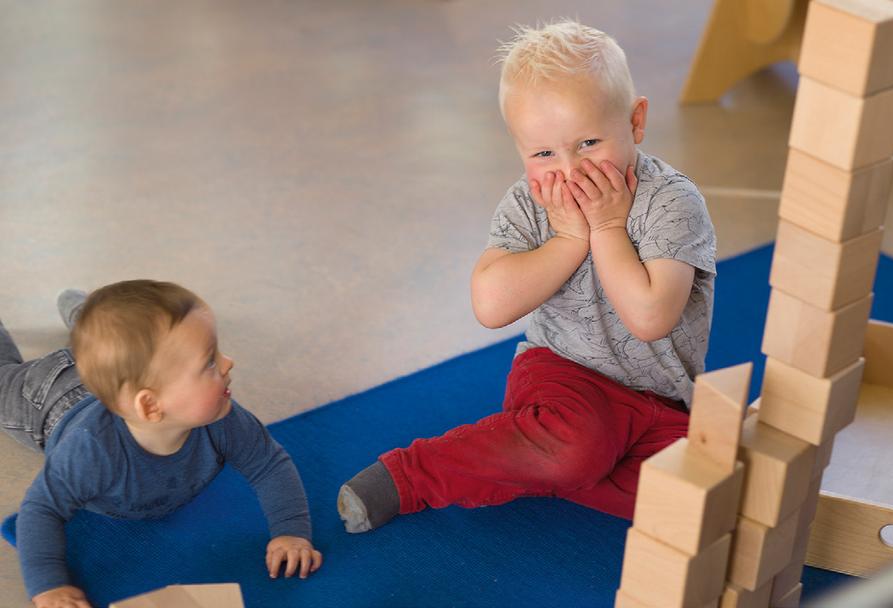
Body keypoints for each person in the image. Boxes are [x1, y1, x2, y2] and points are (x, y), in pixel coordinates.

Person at [337, 19, 716, 533]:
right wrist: (570, 239)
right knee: (578, 446)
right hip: (561, 380)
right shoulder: (529, 202)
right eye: (543, 154)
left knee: (701, 502)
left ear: (636, 121)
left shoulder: (670, 201)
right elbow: (491, 307)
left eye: (588, 142)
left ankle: (533, 460)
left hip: (659, 398)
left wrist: (606, 227)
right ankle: (411, 476)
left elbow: (650, 316)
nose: (570, 169)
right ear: (521, 151)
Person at [0, 281, 323, 608]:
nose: (228, 363)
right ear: (152, 407)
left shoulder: (224, 420)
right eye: (209, 362)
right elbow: (42, 510)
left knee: (120, 336)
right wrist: (49, 586)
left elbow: (269, 464)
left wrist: (290, 531)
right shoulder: (90, 452)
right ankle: (84, 317)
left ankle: (83, 312)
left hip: (119, 379)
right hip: (51, 397)